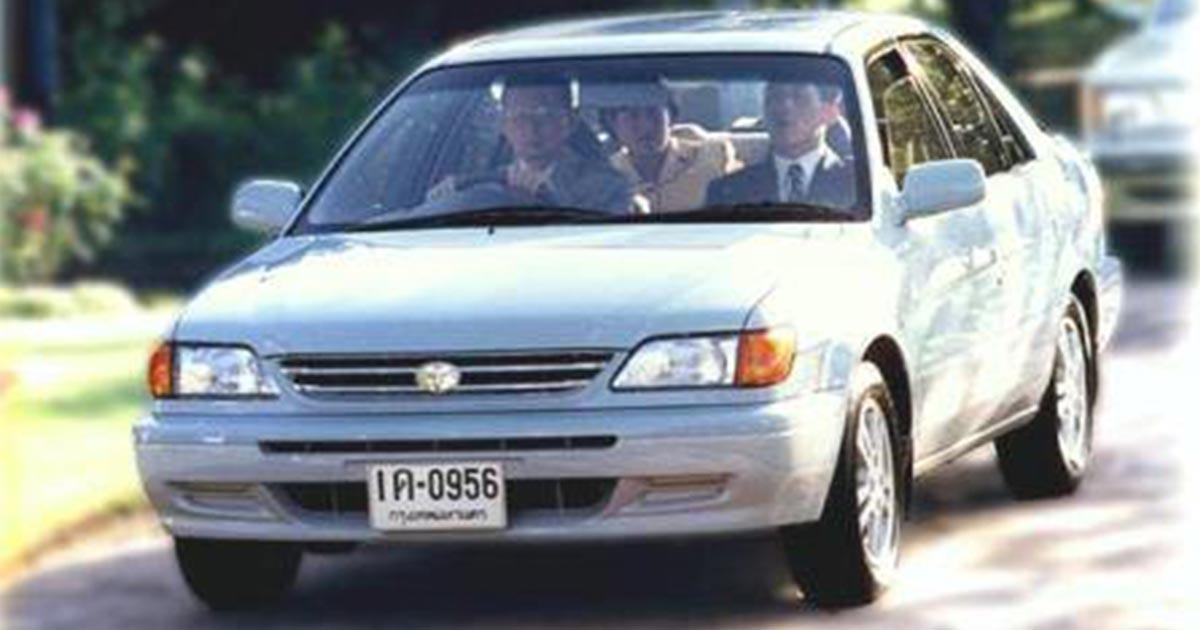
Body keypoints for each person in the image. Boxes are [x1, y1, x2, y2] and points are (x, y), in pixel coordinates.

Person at [428, 78, 632, 213]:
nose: (532, 128)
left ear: (570, 122)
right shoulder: (474, 187)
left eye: (545, 116)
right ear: (503, 124)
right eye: (519, 117)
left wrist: (535, 205)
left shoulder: (606, 186)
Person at [705, 80, 855, 210]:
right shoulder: (729, 191)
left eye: (799, 97)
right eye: (775, 97)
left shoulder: (854, 182)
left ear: (829, 113)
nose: (784, 106)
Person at [601, 82, 739, 213]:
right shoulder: (605, 176)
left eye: (654, 113)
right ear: (612, 124)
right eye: (633, 116)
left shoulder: (715, 158)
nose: (646, 127)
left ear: (671, 118)